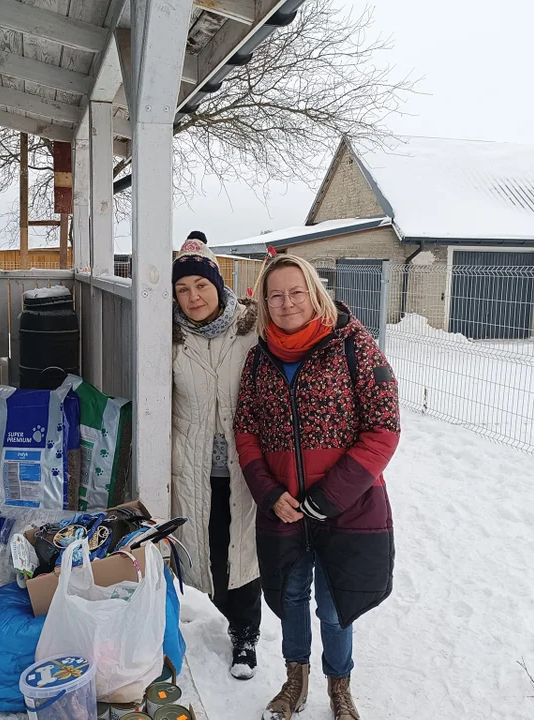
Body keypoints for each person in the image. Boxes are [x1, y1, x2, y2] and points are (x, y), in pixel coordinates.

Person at [233, 254, 400, 720]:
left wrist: (327, 499)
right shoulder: (259, 358)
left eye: (295, 292)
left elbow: (383, 429)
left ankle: (339, 685)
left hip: (346, 508)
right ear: (265, 303)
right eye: (275, 295)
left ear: (314, 293)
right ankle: (294, 680)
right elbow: (245, 432)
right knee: (290, 597)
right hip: (284, 508)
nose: (286, 303)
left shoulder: (354, 346)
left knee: (333, 603)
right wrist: (268, 493)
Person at [170, 238, 262, 679]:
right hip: (193, 466)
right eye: (183, 288)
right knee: (200, 547)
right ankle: (195, 616)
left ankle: (246, 635)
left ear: (219, 286)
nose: (193, 297)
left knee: (242, 551)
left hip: (246, 468)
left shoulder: (251, 329)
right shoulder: (167, 338)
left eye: (201, 285)